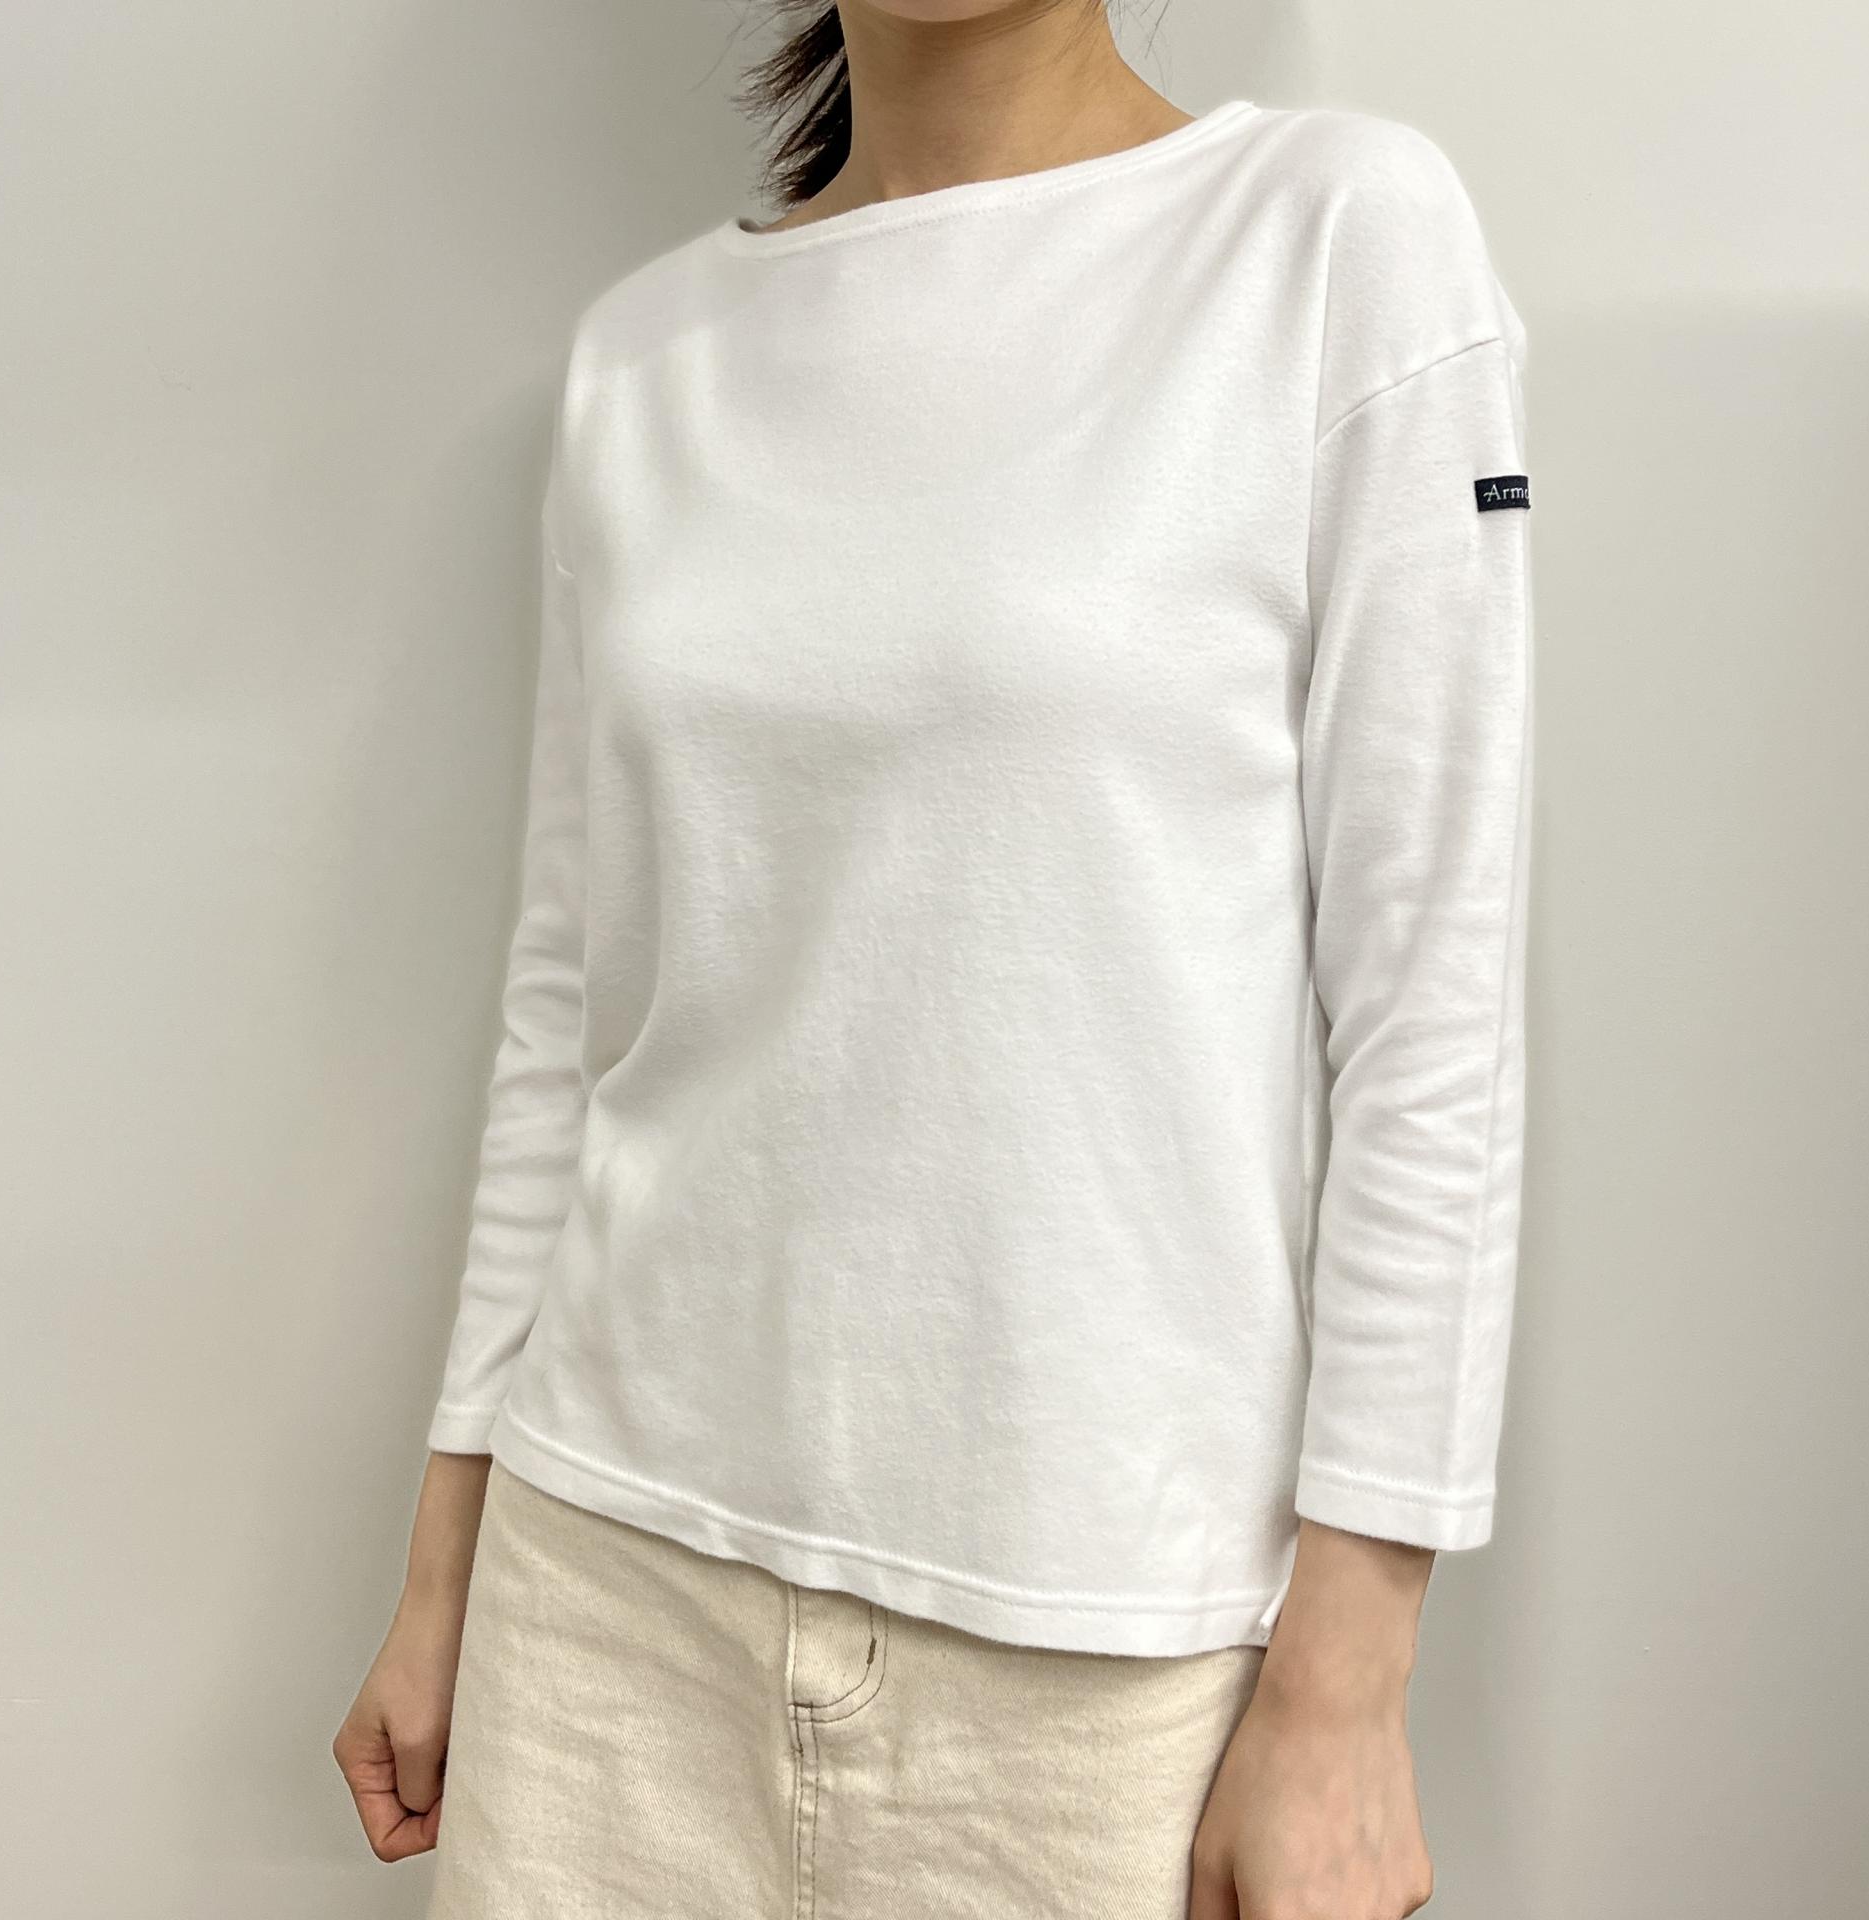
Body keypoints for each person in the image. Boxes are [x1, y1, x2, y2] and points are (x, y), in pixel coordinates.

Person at [332, 5, 1535, 1917]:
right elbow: (573, 1004)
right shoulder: (643, 355)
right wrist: (447, 1561)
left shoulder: (1328, 238)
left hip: (1095, 1669)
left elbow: (1430, 1010)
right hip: (602, 1602)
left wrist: (1349, 1685)